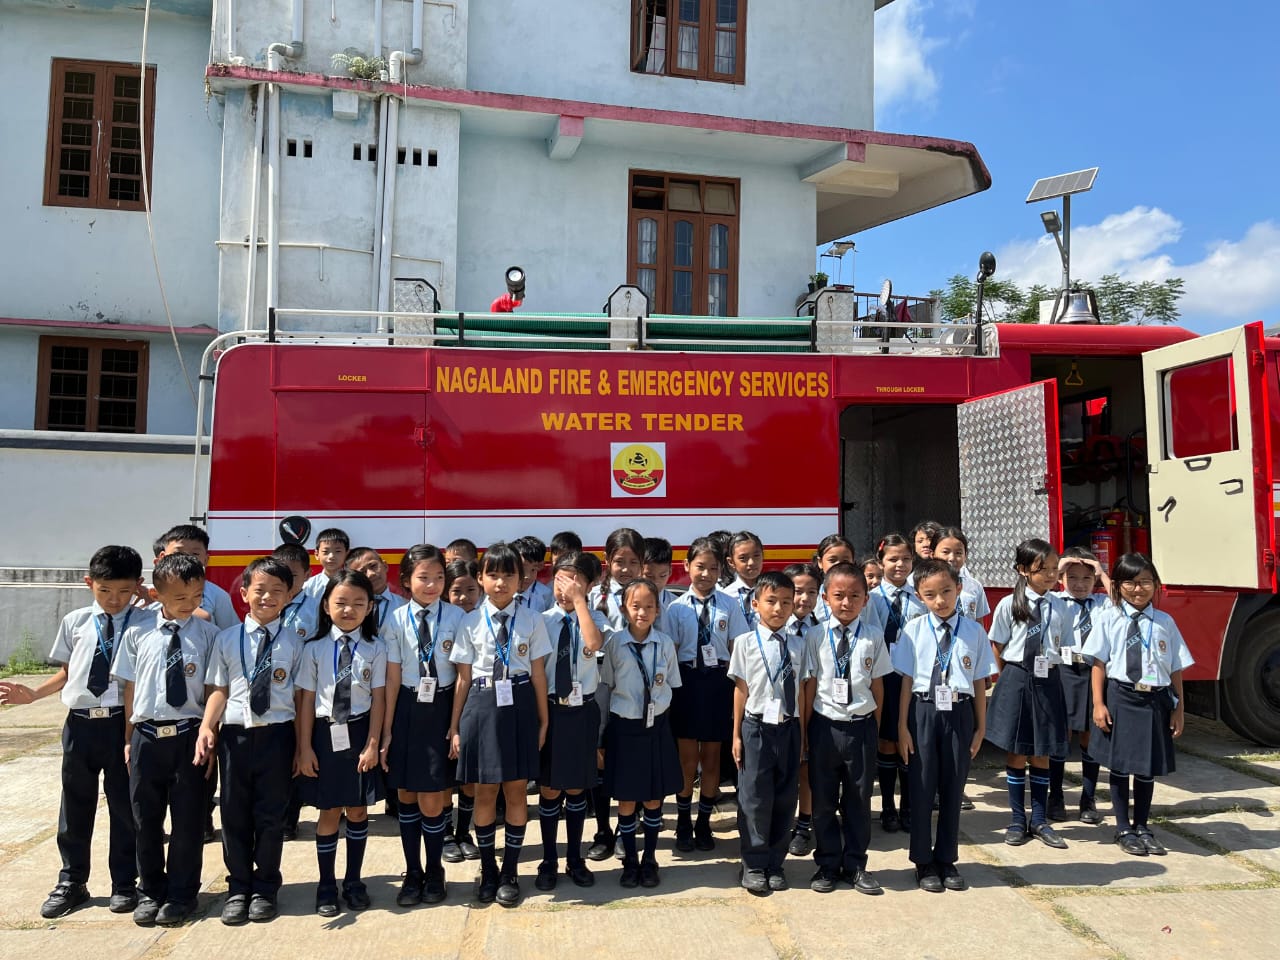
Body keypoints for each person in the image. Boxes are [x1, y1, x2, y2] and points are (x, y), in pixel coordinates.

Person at [0, 545, 145, 919]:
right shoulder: (76, 621)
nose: (114, 599)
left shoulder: (146, 623)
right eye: (105, 590)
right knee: (75, 805)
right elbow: (69, 671)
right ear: (88, 583)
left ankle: (125, 882)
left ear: (138, 586)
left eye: (124, 591)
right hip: (80, 724)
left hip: (123, 724)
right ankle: (72, 881)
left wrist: (153, 597)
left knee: (124, 806)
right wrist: (34, 694)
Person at [196, 557, 303, 925]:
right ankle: (238, 887)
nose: (267, 597)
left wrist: (301, 746)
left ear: (289, 596)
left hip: (277, 736)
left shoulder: (295, 642)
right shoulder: (226, 639)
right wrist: (207, 727)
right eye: (260, 590)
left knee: (271, 816)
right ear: (243, 593)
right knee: (234, 813)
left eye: (277, 591)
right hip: (236, 737)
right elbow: (219, 689)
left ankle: (266, 888)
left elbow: (300, 698)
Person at [114, 553, 219, 926]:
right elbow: (130, 688)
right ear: (157, 594)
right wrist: (129, 738)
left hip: (189, 736)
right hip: (147, 735)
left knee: (188, 820)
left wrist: (210, 735)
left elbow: (213, 690)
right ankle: (150, 891)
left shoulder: (208, 635)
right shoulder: (137, 632)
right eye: (180, 598)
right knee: (146, 819)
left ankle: (181, 894)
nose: (190, 604)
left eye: (197, 596)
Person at [449, 542, 551, 906]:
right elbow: (463, 678)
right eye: (492, 574)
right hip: (481, 705)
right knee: (485, 790)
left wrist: (543, 720)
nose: (501, 582)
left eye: (509, 575)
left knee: (516, 790)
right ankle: (489, 868)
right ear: (480, 578)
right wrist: (455, 726)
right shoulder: (469, 621)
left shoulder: (532, 619)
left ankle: (510, 870)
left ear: (521, 579)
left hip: (520, 704)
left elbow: (538, 674)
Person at [894, 559, 995, 893]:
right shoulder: (913, 630)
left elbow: (979, 681)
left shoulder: (974, 632)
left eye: (947, 591)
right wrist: (902, 727)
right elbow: (906, 682)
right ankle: (923, 861)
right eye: (930, 594)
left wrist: (980, 728)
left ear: (959, 589)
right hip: (923, 712)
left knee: (953, 788)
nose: (940, 600)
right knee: (922, 787)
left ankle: (947, 858)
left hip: (959, 713)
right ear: (919, 596)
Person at [1085, 553, 1192, 857]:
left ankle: (1142, 826)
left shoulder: (1165, 622)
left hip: (1155, 700)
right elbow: (1098, 664)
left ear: (1156, 584)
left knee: (1146, 768)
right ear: (1117, 585)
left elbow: (1175, 668)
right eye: (1130, 583)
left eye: (1145, 582)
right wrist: (1098, 704)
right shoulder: (1109, 618)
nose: (1138, 589)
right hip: (1122, 696)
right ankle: (1123, 828)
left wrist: (1179, 709)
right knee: (1120, 765)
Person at [296, 571, 386, 916]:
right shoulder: (314, 648)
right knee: (330, 810)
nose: (349, 610)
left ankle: (354, 881)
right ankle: (326, 885)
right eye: (341, 602)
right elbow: (306, 701)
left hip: (360, 733)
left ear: (370, 608)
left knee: (359, 810)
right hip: (324, 734)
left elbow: (379, 699)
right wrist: (304, 747)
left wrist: (373, 743)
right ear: (326, 606)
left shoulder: (376, 648)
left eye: (358, 603)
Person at [381, 544, 465, 904]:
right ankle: (412, 872)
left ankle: (434, 871)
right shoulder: (396, 620)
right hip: (407, 708)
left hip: (442, 709)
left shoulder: (457, 618)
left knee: (432, 797)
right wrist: (386, 731)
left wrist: (455, 724)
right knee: (406, 795)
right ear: (406, 581)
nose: (432, 585)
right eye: (423, 578)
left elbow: (463, 675)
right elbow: (392, 677)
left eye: (439, 577)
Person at [803, 562, 891, 895]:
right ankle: (827, 864)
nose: (846, 602)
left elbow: (878, 687)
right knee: (823, 801)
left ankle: (855, 865)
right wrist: (806, 732)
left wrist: (873, 729)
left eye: (855, 596)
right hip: (824, 728)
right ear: (825, 598)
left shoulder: (873, 637)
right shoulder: (815, 636)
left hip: (860, 727)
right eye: (839, 595)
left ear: (866, 600)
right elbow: (811, 685)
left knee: (858, 799)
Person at [985, 539, 1071, 848]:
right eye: (1042, 569)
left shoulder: (1060, 606)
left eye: (1054, 568)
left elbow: (1065, 646)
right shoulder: (1010, 604)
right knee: (1018, 750)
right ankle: (1017, 819)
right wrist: (1007, 678)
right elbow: (997, 644)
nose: (1050, 575)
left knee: (1042, 751)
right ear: (1023, 570)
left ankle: (1040, 819)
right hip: (1018, 677)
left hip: (1049, 681)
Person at [600, 578, 683, 887]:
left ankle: (650, 859)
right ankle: (630, 860)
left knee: (652, 798)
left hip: (656, 727)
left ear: (658, 610)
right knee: (626, 798)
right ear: (624, 609)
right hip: (624, 728)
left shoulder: (664, 644)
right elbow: (607, 686)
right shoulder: (615, 644)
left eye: (649, 606)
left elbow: (672, 684)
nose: (642, 612)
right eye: (635, 606)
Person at [730, 571, 807, 895]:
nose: (779, 608)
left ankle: (776, 862)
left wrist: (802, 734)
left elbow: (802, 691)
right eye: (771, 601)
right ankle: (753, 863)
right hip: (756, 728)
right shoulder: (745, 643)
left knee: (785, 798)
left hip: (788, 728)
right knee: (754, 799)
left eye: (786, 602)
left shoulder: (799, 644)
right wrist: (736, 735)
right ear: (755, 603)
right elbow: (741, 690)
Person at [668, 537, 747, 852]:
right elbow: (671, 651)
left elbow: (737, 647)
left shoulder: (729, 604)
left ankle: (703, 823)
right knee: (687, 760)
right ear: (687, 566)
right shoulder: (676, 608)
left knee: (712, 757)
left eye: (713, 568)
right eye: (700, 566)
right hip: (686, 682)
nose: (706, 574)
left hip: (717, 682)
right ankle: (683, 821)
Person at [535, 552, 607, 889]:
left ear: (590, 585)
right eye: (560, 580)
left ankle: (575, 858)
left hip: (583, 711)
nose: (565, 588)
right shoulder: (541, 621)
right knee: (550, 789)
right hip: (551, 710)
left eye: (574, 581)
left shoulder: (596, 618)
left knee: (577, 786)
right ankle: (549, 859)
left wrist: (580, 603)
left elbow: (594, 643)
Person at [585, 527, 645, 860]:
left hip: (634, 685)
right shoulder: (595, 597)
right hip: (599, 683)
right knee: (600, 754)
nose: (626, 569)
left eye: (633, 562)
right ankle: (603, 830)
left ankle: (627, 828)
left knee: (629, 756)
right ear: (607, 561)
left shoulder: (646, 596)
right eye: (620, 561)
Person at [1050, 547, 1110, 824]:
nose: (1079, 584)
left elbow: (1122, 602)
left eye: (1086, 578)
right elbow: (1030, 594)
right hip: (1063, 670)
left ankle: (1088, 797)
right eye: (1072, 577)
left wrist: (1101, 572)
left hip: (1092, 672)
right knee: (1061, 735)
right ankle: (1056, 796)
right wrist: (1059, 567)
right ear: (1061, 578)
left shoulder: (1102, 603)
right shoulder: (1055, 600)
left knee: (1089, 734)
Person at [870, 534, 926, 833]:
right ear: (881, 562)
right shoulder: (872, 599)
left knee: (908, 739)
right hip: (882, 677)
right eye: (893, 559)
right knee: (886, 741)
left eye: (905, 559)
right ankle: (887, 806)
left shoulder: (920, 598)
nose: (900, 564)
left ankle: (908, 805)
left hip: (912, 676)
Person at [783, 560, 823, 857]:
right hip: (778, 712)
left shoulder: (821, 631)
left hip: (812, 709)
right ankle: (781, 823)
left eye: (812, 592)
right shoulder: (770, 627)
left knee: (807, 769)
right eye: (798, 591)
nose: (805, 598)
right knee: (783, 771)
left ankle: (804, 825)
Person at [157, 525, 239, 629]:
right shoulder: (149, 594)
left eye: (195, 554)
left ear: (206, 560)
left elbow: (230, 633)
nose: (186, 558)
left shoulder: (218, 596)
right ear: (162, 557)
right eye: (178, 553)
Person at [931, 527, 990, 623]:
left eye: (958, 553)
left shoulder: (975, 586)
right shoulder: (925, 585)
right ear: (932, 554)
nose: (952, 558)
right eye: (945, 552)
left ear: (965, 555)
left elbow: (979, 623)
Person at [346, 547, 407, 631]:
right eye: (362, 572)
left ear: (385, 566)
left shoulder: (404, 605)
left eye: (373, 566)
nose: (370, 574)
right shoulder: (348, 610)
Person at [725, 531, 765, 629]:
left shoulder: (772, 591)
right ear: (731, 562)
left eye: (756, 556)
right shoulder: (726, 596)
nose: (751, 562)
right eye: (743, 558)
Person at [303, 528, 350, 599]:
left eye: (338, 551)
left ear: (347, 554)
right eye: (325, 552)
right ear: (317, 554)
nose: (331, 556)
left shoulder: (353, 584)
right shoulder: (308, 586)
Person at [514, 536, 554, 613]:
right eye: (522, 569)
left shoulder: (545, 595)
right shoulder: (501, 591)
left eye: (533, 570)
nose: (527, 576)